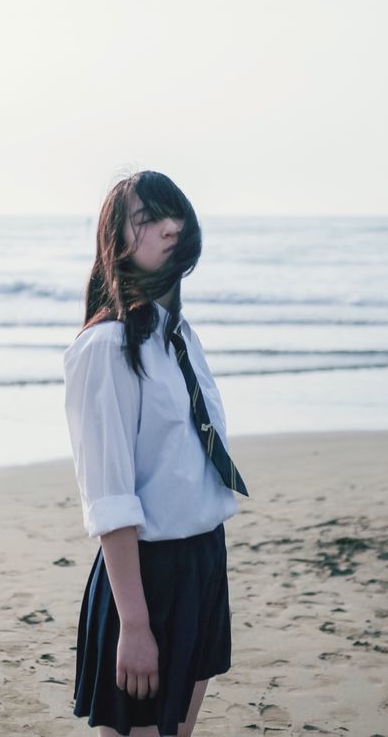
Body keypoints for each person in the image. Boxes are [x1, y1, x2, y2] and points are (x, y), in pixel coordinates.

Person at [63, 170, 249, 737]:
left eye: (175, 214)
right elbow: (110, 498)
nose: (170, 226)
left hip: (202, 561)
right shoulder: (107, 348)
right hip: (146, 575)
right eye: (147, 219)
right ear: (116, 243)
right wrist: (135, 626)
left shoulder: (179, 336)